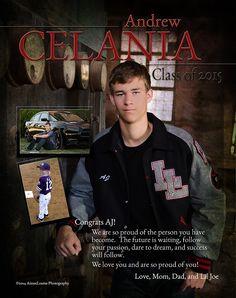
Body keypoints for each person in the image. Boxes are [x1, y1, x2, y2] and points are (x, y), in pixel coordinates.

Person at [55, 61, 225, 297]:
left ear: (149, 95)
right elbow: (83, 193)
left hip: (177, 266)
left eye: (135, 92)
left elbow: (210, 201)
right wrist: (67, 226)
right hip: (127, 266)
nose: (128, 101)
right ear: (111, 98)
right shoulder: (98, 148)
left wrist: (201, 260)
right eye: (120, 93)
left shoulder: (181, 145)